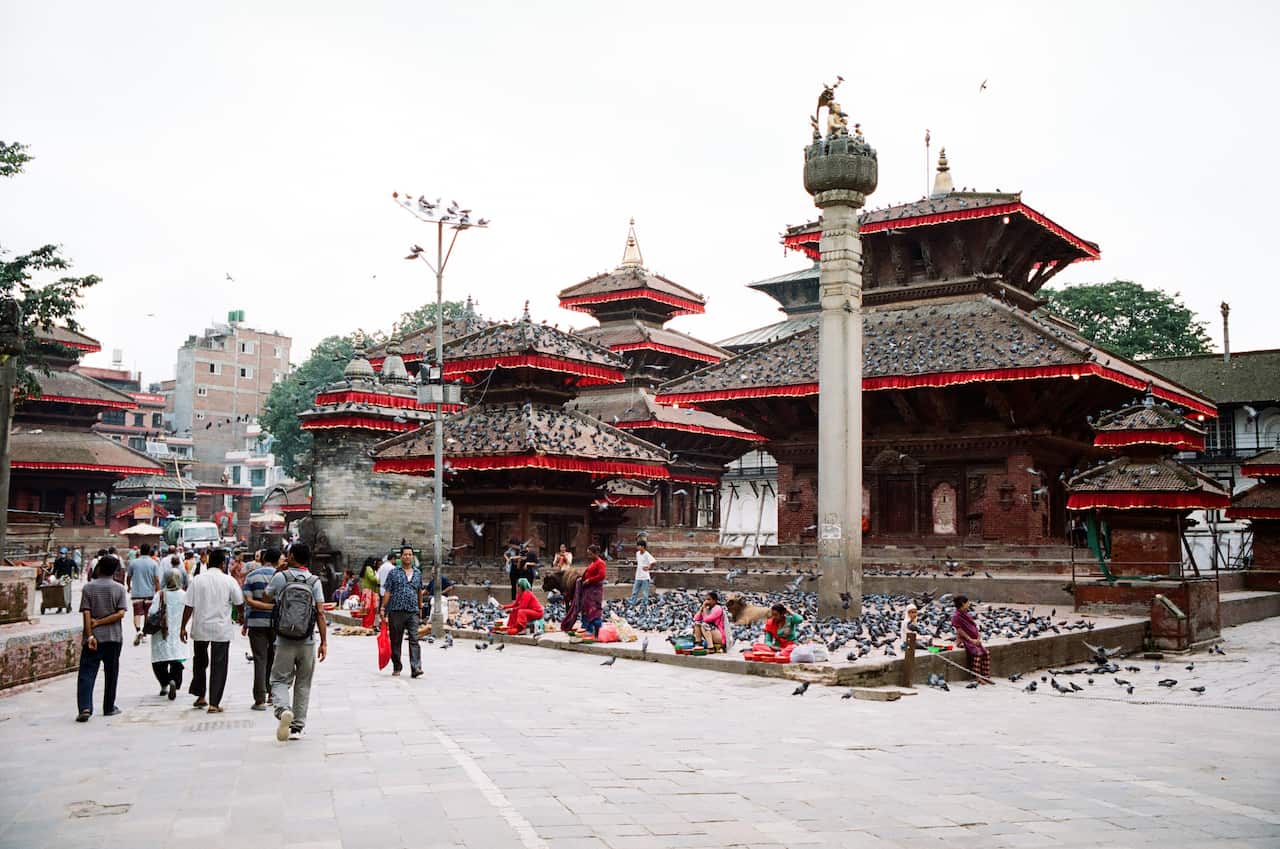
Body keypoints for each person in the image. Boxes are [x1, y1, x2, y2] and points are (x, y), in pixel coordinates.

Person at [266, 543, 327, 740]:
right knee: (303, 683)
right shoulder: (314, 581)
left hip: (284, 638)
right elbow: (320, 613)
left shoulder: (281, 577)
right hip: (307, 640)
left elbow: (267, 596)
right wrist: (324, 642)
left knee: (279, 679)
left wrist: (278, 571)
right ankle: (297, 727)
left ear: (291, 556)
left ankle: (283, 710)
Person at [180, 548, 244, 712]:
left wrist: (183, 626)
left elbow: (189, 605)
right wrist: (242, 617)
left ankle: (201, 695)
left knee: (200, 662)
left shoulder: (198, 580)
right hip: (221, 629)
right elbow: (239, 602)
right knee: (219, 665)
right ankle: (214, 703)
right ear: (223, 564)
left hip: (201, 626)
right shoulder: (229, 581)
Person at [76, 555, 128, 722]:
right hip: (113, 638)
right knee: (111, 673)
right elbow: (120, 614)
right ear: (115, 571)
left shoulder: (88, 588)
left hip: (94, 638)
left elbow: (86, 612)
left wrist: (90, 633)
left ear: (98, 568)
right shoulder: (119, 589)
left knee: (86, 673)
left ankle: (85, 707)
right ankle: (108, 706)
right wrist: (102, 622)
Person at [242, 548, 284, 710]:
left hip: (256, 622)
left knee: (260, 659)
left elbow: (248, 601)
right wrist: (273, 608)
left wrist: (245, 622)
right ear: (276, 560)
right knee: (274, 659)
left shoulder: (252, 576)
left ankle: (259, 700)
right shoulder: (281, 577)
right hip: (276, 623)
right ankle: (272, 694)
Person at [380, 545, 423, 678]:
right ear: (401, 557)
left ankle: (416, 667)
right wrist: (383, 608)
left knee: (414, 639)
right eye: (405, 554)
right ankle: (397, 665)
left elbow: (419, 591)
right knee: (396, 640)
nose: (408, 557)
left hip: (412, 611)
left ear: (413, 557)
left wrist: (420, 607)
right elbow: (388, 591)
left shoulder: (417, 573)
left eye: (410, 554)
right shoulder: (394, 572)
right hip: (396, 610)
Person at [148, 569, 187, 700]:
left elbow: (152, 612)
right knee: (176, 660)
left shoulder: (160, 595)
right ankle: (174, 681)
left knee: (159, 661)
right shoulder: (184, 595)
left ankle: (165, 683)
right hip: (177, 632)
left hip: (161, 632)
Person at [126, 544, 162, 645]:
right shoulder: (154, 563)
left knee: (137, 613)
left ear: (140, 551)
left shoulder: (133, 563)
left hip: (137, 592)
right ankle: (145, 633)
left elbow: (128, 577)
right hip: (149, 592)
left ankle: (138, 631)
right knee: (147, 614)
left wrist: (129, 586)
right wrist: (158, 591)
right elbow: (157, 579)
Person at [951, 596, 991, 685]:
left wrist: (978, 637)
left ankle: (986, 675)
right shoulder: (956, 616)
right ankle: (977, 677)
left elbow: (974, 626)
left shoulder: (966, 614)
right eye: (967, 603)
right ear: (963, 604)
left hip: (974, 639)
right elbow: (959, 630)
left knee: (986, 653)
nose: (969, 605)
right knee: (978, 653)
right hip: (967, 640)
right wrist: (971, 640)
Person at [577, 544, 607, 637]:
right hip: (588, 590)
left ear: (596, 553)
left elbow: (602, 576)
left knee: (593, 610)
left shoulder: (600, 563)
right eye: (588, 554)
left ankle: (597, 629)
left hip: (595, 591)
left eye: (590, 554)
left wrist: (589, 580)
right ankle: (587, 628)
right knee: (586, 609)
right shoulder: (593, 563)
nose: (588, 556)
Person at [630, 541, 654, 612]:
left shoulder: (647, 554)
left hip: (645, 577)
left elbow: (653, 562)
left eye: (638, 546)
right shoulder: (637, 553)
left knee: (645, 593)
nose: (637, 547)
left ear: (643, 546)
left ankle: (644, 607)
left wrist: (648, 567)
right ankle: (632, 605)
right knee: (634, 592)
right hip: (638, 576)